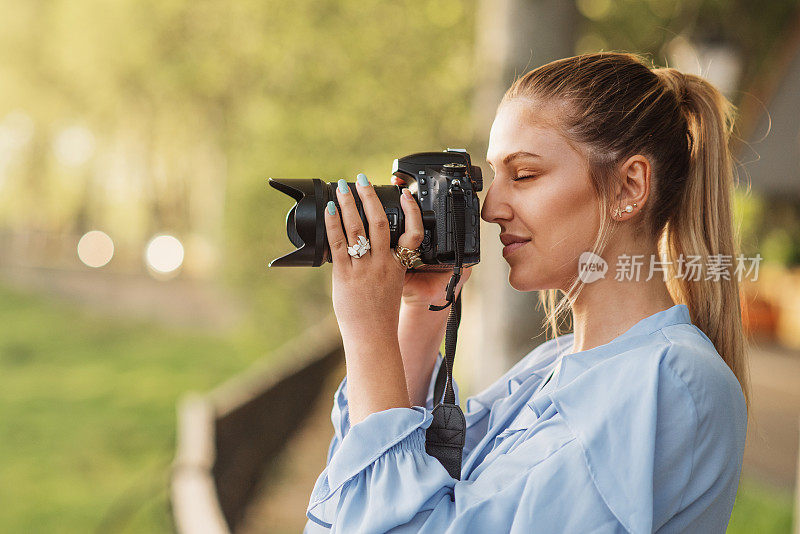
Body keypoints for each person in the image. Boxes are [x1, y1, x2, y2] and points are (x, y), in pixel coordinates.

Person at [304, 52, 749, 533]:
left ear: (629, 186)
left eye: (524, 175)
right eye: (492, 177)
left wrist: (368, 332)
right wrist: (422, 309)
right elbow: (349, 506)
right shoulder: (549, 369)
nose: (491, 207)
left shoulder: (671, 381)